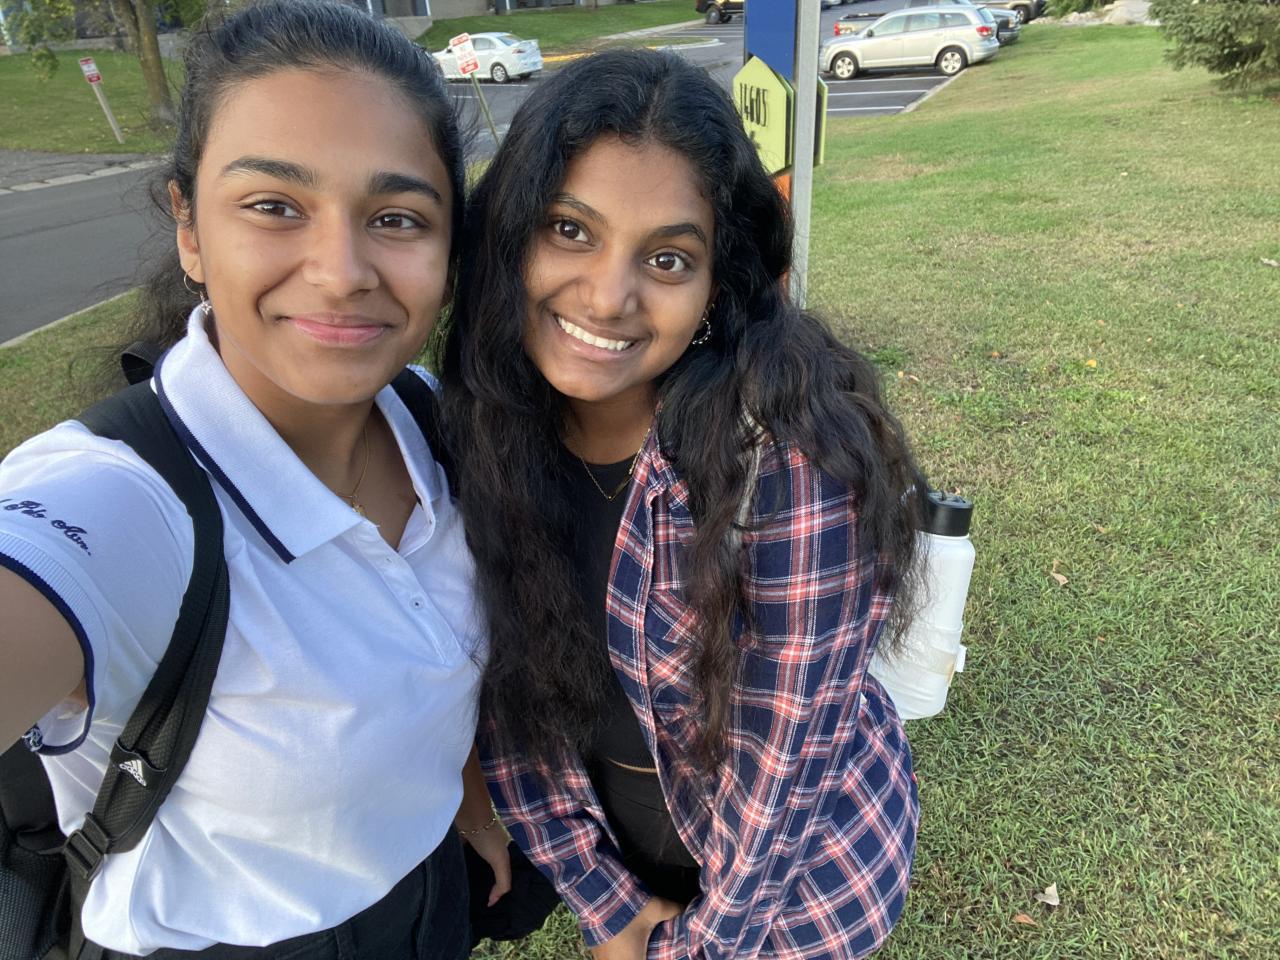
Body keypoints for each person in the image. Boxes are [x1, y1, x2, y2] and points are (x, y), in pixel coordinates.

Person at [0, 1, 508, 956]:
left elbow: (430, 658)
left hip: (426, 901)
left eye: (397, 218)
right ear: (189, 229)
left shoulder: (436, 423)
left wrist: (464, 800)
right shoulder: (125, 507)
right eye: (275, 207)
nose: (342, 271)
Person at [440, 49, 924, 960]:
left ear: (714, 286)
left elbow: (785, 772)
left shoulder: (787, 460)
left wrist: (691, 951)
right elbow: (506, 695)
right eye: (569, 230)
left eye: (667, 258)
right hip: (617, 846)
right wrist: (605, 901)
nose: (607, 296)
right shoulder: (482, 426)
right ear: (510, 235)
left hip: (796, 895)